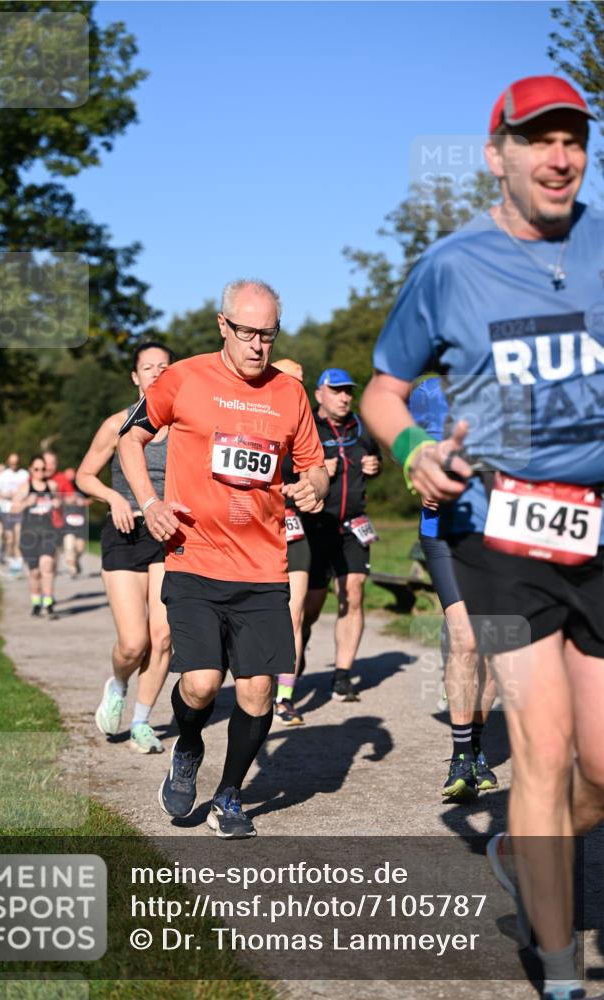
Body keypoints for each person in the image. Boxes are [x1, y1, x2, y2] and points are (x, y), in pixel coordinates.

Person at [362, 76, 603, 1000]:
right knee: (539, 748)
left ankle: (516, 845)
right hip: (492, 536)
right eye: (536, 139)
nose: (558, 156)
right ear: (495, 152)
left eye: (571, 139)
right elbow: (386, 391)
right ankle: (558, 970)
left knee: (597, 766)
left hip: (595, 528)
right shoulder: (450, 267)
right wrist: (416, 445)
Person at [117, 279, 328, 838]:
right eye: (248, 333)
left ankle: (229, 795)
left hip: (263, 565)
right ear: (222, 326)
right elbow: (129, 439)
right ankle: (188, 746)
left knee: (258, 690)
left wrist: (315, 487)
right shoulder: (183, 377)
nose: (259, 345)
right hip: (193, 557)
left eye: (269, 334)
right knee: (203, 684)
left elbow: (315, 464)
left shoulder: (290, 393)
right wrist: (150, 502)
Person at [77, 342, 175, 755]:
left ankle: (141, 722)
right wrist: (114, 499)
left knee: (163, 634)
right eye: (147, 368)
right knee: (134, 643)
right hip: (125, 533)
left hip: (169, 535)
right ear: (135, 377)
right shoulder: (117, 423)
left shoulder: (186, 428)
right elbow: (84, 475)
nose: (155, 373)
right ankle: (117, 684)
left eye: (163, 367)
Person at [409, 377, 498, 800]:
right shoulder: (427, 392)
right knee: (464, 640)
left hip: (500, 535)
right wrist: (421, 479)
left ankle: (476, 745)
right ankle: (461, 756)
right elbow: (409, 449)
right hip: (442, 532)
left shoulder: (512, 387)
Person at [301, 368, 381, 702]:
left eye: (348, 391)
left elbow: (374, 461)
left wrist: (374, 468)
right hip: (316, 526)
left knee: (354, 592)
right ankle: (299, 639)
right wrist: (317, 472)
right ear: (319, 394)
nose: (344, 397)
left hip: (353, 525)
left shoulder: (361, 429)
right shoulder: (308, 429)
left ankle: (342, 676)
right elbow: (289, 468)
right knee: (312, 604)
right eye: (336, 391)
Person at [271, 358, 314, 726]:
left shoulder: (305, 423)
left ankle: (284, 697)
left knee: (294, 615)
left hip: (293, 529)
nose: (297, 386)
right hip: (252, 531)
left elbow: (316, 473)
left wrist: (312, 485)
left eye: (302, 381)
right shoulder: (257, 415)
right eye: (291, 379)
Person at [12, 455, 60, 617]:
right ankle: (36, 603)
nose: (40, 472)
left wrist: (57, 503)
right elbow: (13, 508)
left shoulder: (52, 486)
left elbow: (61, 503)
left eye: (43, 469)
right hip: (29, 535)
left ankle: (49, 603)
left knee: (47, 566)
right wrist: (26, 502)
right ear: (31, 470)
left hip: (48, 533)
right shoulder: (25, 487)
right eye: (37, 469)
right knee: (34, 573)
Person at [0, 453, 29, 576]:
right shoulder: (3, 475)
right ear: (8, 463)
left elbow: (30, 489)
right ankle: (12, 561)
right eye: (12, 463)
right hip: (6, 510)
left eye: (16, 463)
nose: (14, 465)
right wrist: (6, 495)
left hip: (19, 509)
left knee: (18, 538)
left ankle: (18, 565)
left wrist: (21, 496)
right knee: (10, 539)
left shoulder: (24, 474)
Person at [60, 468, 91, 578]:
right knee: (69, 546)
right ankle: (72, 569)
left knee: (80, 548)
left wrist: (84, 502)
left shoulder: (82, 488)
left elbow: (91, 499)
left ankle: (75, 561)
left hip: (80, 523)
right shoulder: (61, 488)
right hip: (67, 523)